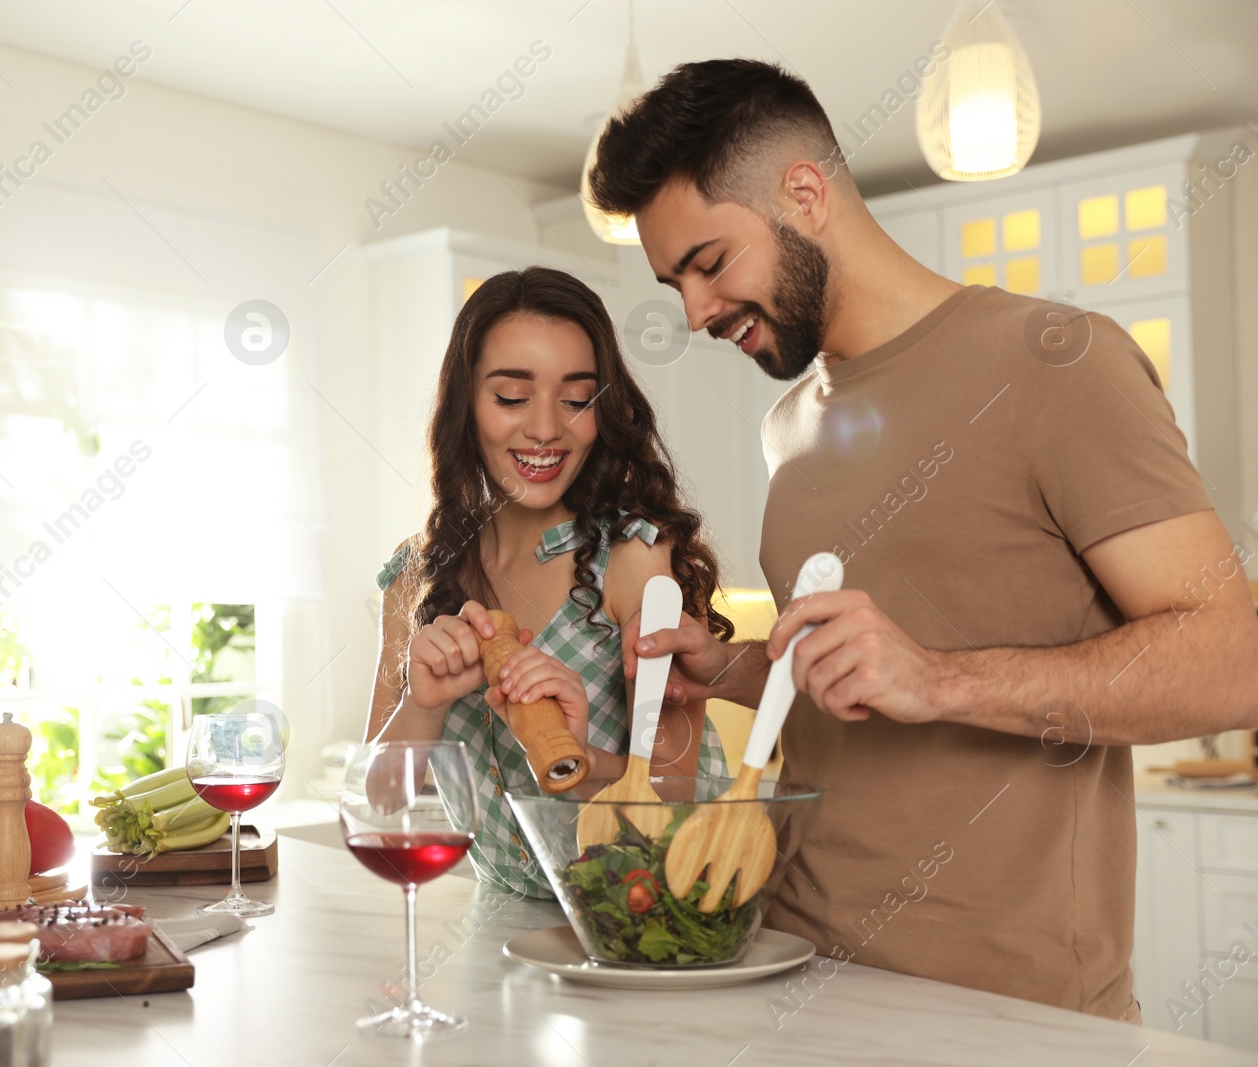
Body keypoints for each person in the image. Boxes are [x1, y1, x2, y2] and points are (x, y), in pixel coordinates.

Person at [588, 58, 1258, 1021]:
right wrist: (728, 666)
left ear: (806, 193)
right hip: (790, 967)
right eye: (674, 283)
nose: (692, 313)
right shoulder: (791, 425)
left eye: (709, 263)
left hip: (1013, 1009)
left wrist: (939, 680)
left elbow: (1228, 661)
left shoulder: (1058, 364)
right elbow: (846, 676)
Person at [365, 266, 736, 899]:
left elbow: (682, 795)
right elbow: (380, 798)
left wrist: (580, 757)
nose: (546, 429)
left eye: (577, 399)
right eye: (512, 397)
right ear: (466, 405)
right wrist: (421, 704)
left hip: (648, 920)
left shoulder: (634, 558)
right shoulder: (417, 575)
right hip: (502, 931)